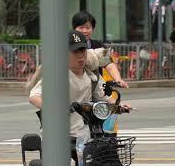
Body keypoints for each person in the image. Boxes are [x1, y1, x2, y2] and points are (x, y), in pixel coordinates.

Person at [29, 30, 130, 165]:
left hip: (86, 136)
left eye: (83, 51)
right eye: (75, 52)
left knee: (109, 158)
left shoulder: (92, 76)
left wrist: (119, 107)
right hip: (61, 137)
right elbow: (34, 96)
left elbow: (105, 98)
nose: (80, 56)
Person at [72, 10, 129, 88]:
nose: (84, 31)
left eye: (88, 27)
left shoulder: (98, 45)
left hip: (96, 87)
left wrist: (118, 79)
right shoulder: (67, 46)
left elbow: (109, 64)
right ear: (74, 29)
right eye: (81, 27)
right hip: (75, 88)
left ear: (92, 29)